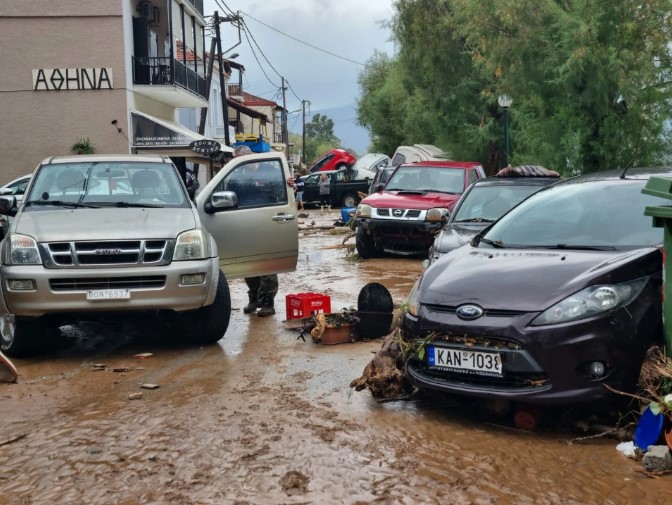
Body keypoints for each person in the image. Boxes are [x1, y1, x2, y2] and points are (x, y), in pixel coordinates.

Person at [231, 144, 293, 317]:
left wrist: (290, 184)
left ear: (247, 157)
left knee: (267, 264)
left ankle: (267, 302)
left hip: (267, 223)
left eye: (239, 160)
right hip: (245, 225)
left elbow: (286, 188)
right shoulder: (236, 176)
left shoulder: (269, 170)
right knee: (248, 264)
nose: (238, 164)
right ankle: (254, 298)